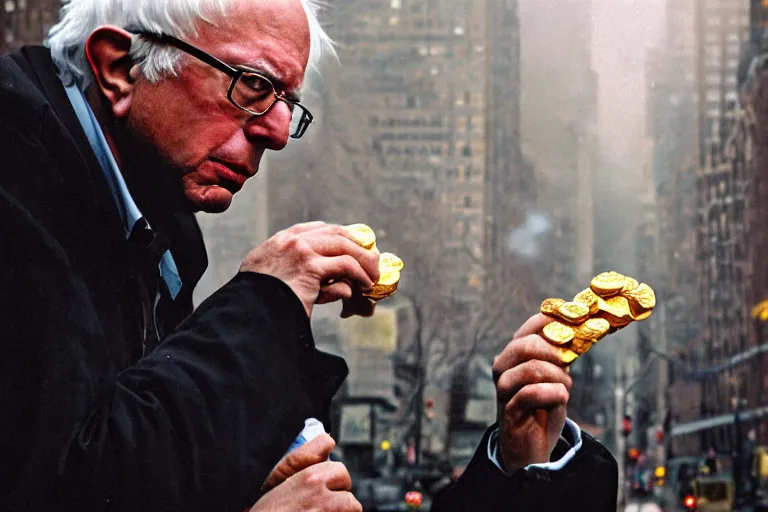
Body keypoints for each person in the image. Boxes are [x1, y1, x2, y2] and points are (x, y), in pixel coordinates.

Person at [0, 0, 618, 510]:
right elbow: (65, 483)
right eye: (252, 86)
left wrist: (522, 466)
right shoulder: (17, 183)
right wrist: (267, 301)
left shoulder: (146, 233)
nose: (273, 131)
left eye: (286, 103)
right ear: (118, 66)